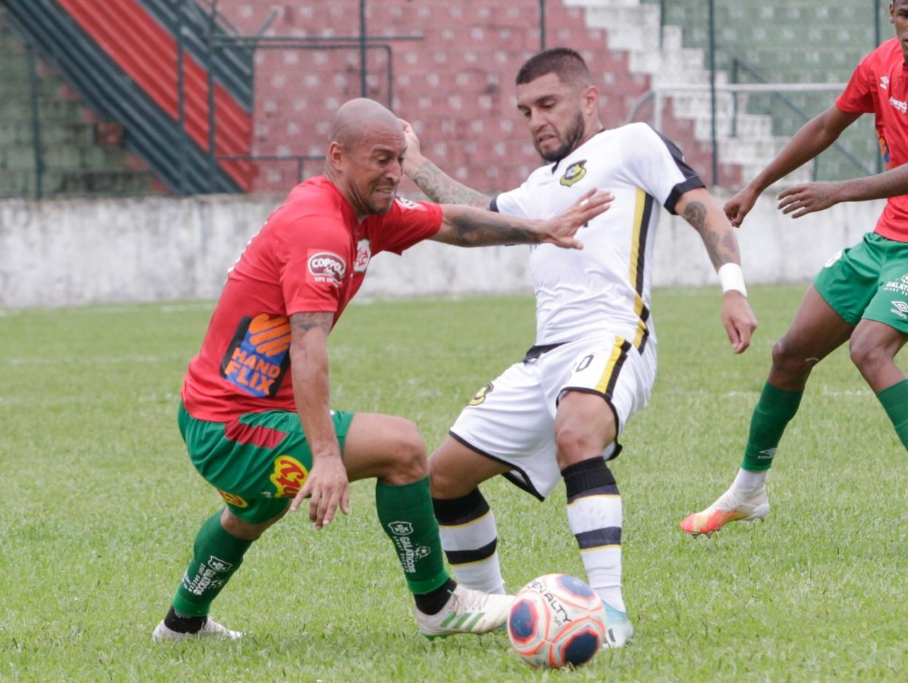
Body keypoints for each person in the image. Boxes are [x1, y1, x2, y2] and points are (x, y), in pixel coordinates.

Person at [151, 97, 612, 641]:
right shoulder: (319, 228)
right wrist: (325, 456)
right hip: (232, 423)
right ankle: (438, 603)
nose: (395, 173)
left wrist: (542, 229)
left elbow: (454, 224)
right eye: (381, 160)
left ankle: (181, 624)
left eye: (399, 158)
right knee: (403, 448)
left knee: (252, 514)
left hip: (220, 411)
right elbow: (307, 347)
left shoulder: (362, 212)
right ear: (337, 157)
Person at [401, 48, 758, 647]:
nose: (536, 119)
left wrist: (733, 289)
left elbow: (703, 210)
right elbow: (470, 217)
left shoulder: (631, 143)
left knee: (576, 434)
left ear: (589, 99)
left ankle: (611, 617)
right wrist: (414, 164)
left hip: (615, 335)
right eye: (525, 111)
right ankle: (496, 606)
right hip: (544, 357)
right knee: (443, 478)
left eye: (548, 103)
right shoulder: (538, 188)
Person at [679, 0, 908, 537]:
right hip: (885, 241)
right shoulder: (879, 66)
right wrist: (755, 185)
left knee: (869, 348)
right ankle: (748, 492)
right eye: (902, 12)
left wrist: (839, 191)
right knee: (789, 354)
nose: (907, 24)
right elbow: (827, 126)